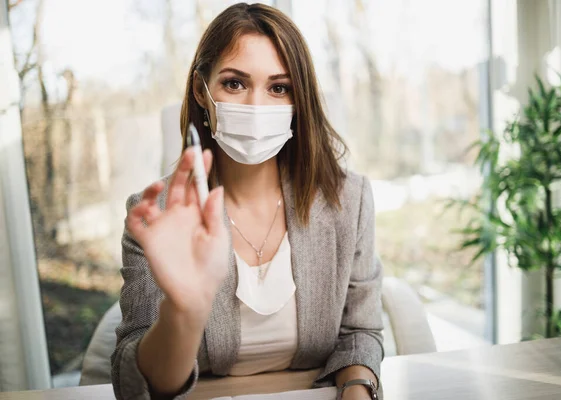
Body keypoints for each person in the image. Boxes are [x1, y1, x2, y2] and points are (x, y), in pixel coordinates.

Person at [111, 3, 383, 399]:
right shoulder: (160, 215)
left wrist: (357, 390)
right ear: (202, 91)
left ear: (299, 100)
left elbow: (360, 332)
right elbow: (136, 383)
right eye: (235, 83)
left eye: (279, 88)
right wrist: (183, 310)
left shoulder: (348, 200)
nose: (256, 106)